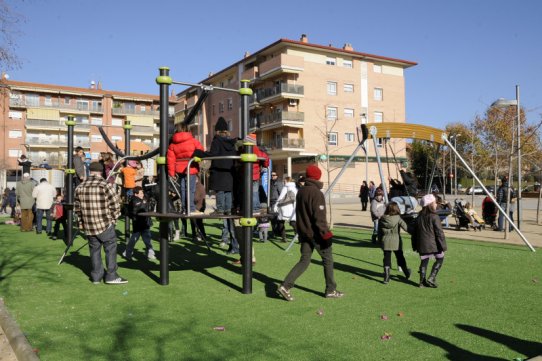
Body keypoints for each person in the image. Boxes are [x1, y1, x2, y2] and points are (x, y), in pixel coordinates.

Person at [277, 165, 344, 301]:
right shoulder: (316, 193)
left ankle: (285, 285)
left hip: (304, 232)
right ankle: (330, 289)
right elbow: (319, 217)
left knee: (304, 260)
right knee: (328, 259)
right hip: (315, 233)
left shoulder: (301, 191)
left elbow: (301, 214)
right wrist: (325, 234)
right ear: (318, 177)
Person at [74, 162, 127, 284]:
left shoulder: (80, 187)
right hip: (104, 223)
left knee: (94, 250)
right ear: (101, 172)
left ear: (90, 171)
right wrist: (113, 220)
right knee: (110, 248)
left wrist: (81, 223)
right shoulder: (105, 185)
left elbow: (77, 209)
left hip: (88, 225)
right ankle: (111, 276)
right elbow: (116, 204)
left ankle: (96, 277)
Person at [193, 117, 237, 215]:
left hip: (219, 170)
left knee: (220, 190)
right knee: (228, 191)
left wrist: (199, 153)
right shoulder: (231, 142)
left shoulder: (216, 141)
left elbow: (213, 154)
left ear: (217, 131)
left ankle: (220, 210)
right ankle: (228, 209)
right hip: (229, 170)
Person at [167, 123, 204, 214]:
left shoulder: (173, 144)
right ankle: (191, 209)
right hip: (191, 167)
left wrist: (171, 173)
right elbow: (201, 151)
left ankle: (184, 208)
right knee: (191, 189)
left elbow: (170, 160)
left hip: (180, 170)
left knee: (183, 189)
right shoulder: (193, 141)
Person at [412, 194, 447, 288]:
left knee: (424, 260)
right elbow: (439, 232)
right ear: (430, 204)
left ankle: (421, 282)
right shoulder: (434, 216)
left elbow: (414, 233)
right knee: (440, 258)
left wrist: (415, 245)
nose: (436, 204)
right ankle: (432, 277)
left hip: (422, 244)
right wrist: (443, 246)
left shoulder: (419, 216)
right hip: (434, 244)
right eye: (434, 202)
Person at [378, 202, 411, 284]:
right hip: (397, 241)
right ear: (396, 209)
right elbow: (407, 228)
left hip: (385, 240)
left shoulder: (382, 219)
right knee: (400, 257)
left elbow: (379, 233)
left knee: (386, 259)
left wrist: (380, 242)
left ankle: (386, 277)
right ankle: (406, 272)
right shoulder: (398, 218)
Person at [123, 186, 156, 261]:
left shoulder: (144, 199)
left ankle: (150, 253)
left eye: (142, 192)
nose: (142, 194)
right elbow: (134, 211)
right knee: (133, 241)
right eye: (141, 193)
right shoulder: (134, 201)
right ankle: (127, 253)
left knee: (147, 240)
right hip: (138, 225)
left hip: (145, 224)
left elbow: (148, 209)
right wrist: (144, 203)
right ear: (136, 194)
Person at [273, 176, 298, 243]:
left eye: (284, 181)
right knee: (293, 223)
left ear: (286, 181)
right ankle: (298, 237)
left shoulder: (286, 187)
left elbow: (281, 197)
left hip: (284, 207)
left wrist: (276, 205)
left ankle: (284, 238)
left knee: (280, 222)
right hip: (292, 208)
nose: (283, 182)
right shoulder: (294, 188)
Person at [269, 171, 284, 235]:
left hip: (276, 202)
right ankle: (275, 231)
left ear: (277, 176)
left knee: (275, 217)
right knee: (272, 218)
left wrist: (280, 202)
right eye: (271, 175)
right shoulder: (270, 182)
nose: (272, 176)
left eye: (274, 175)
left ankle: (277, 232)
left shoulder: (279, 183)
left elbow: (281, 193)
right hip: (270, 201)